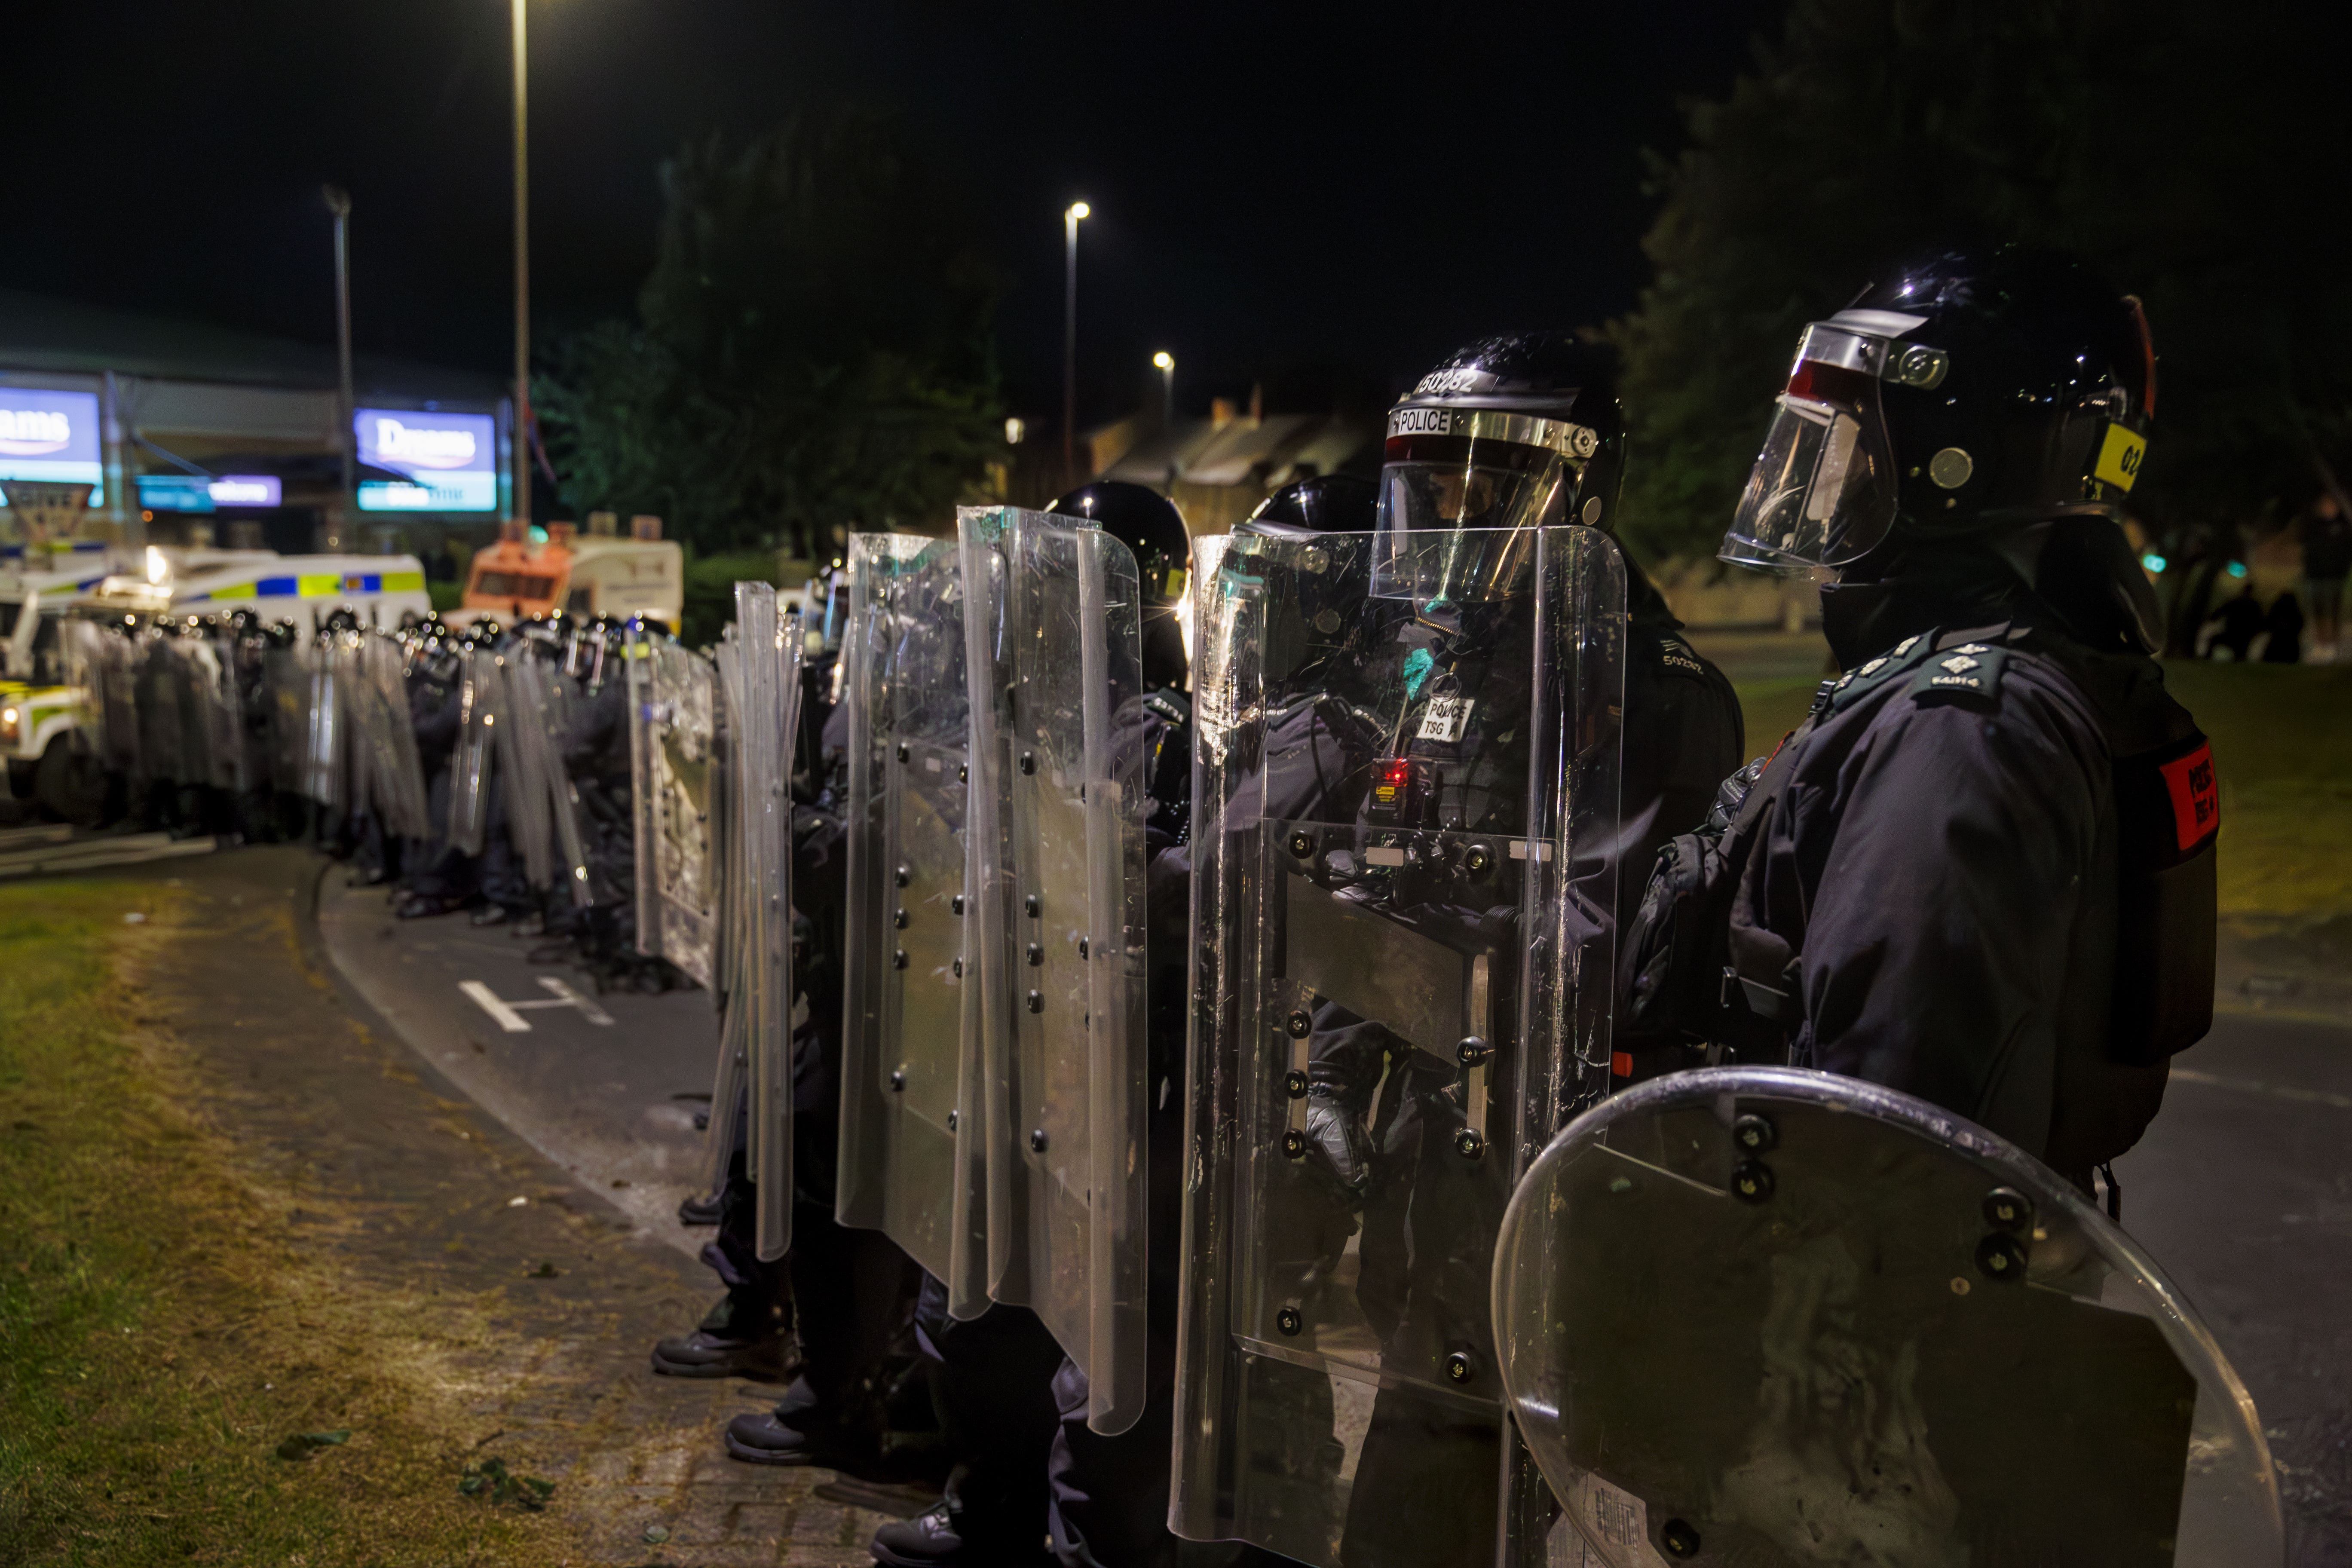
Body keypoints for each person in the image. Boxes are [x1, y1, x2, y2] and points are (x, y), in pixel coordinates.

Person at [1172, 334, 1742, 1568]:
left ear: (1575, 488)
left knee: (1473, 1455)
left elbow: (1597, 962)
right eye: (1430, 486)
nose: (1446, 515)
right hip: (1420, 1132)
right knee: (1423, 1422)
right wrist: (1327, 1072)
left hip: (1537, 1150)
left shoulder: (1643, 689)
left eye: (1481, 486)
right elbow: (1367, 890)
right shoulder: (1434, 664)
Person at [1626, 245, 2217, 1194]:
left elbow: (1892, 1153)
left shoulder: (1961, 731)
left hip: (1852, 1296)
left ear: (1962, 460)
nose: (1826, 479)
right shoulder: (2018, 681)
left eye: (1858, 440)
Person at [2302, 492, 2352, 660]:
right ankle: (2320, 644)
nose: (2328, 509)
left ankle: (2332, 645)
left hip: (2335, 576)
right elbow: (2307, 548)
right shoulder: (2313, 526)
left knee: (2334, 611)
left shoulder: (2343, 527)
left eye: (2331, 505)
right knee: (2318, 611)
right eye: (2325, 505)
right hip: (2315, 575)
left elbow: (2346, 551)